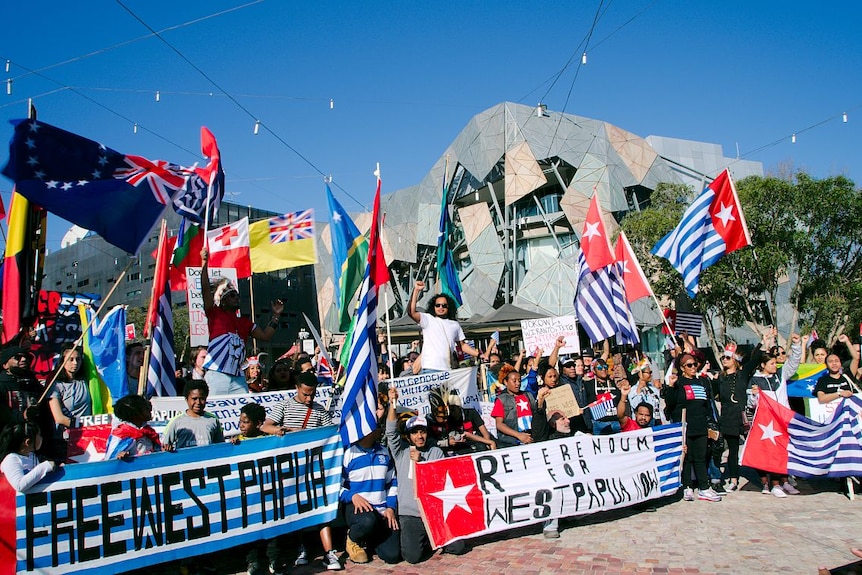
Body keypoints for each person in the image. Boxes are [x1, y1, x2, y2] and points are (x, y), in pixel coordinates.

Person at [260, 373, 340, 571]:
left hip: (314, 468)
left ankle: (329, 553)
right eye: (305, 394)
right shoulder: (284, 406)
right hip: (292, 470)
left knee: (322, 506)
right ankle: (301, 548)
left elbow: (331, 434)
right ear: (297, 388)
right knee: (298, 507)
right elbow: (265, 426)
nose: (309, 399)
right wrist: (284, 430)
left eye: (312, 394)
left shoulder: (319, 410)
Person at [385, 386, 464, 562]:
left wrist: (422, 463)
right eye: (414, 432)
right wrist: (392, 404)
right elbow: (391, 432)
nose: (419, 436)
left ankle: (433, 538)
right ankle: (428, 540)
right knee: (412, 557)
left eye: (422, 431)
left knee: (458, 547)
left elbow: (437, 482)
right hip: (410, 514)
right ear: (409, 436)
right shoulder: (401, 452)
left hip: (432, 512)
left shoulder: (435, 452)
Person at [200, 247, 284, 395]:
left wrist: (276, 316)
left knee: (244, 412)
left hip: (238, 377)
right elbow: (206, 289)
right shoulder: (215, 313)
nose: (236, 298)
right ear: (223, 301)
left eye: (237, 296)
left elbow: (266, 335)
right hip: (216, 374)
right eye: (232, 296)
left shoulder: (245, 323)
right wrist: (204, 263)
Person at [340, 405, 400, 565]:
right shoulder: (348, 453)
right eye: (377, 426)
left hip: (382, 511)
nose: (380, 429)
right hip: (358, 509)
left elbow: (392, 482)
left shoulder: (384, 451)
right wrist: (352, 496)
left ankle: (370, 541)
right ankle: (353, 539)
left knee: (393, 556)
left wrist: (390, 508)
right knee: (367, 521)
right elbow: (336, 487)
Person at [748, 333, 803, 497]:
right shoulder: (755, 380)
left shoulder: (780, 375)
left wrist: (797, 345)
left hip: (783, 419)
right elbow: (751, 404)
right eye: (771, 363)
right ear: (763, 365)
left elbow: (793, 364)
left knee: (783, 451)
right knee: (765, 452)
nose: (775, 365)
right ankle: (769, 484)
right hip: (764, 423)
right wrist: (753, 395)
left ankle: (783, 482)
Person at [664, 352, 721, 502]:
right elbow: (670, 402)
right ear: (682, 368)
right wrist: (671, 386)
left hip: (700, 425)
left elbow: (707, 405)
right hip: (684, 425)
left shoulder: (702, 382)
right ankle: (687, 486)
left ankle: (703, 487)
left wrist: (712, 424)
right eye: (689, 365)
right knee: (687, 457)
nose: (693, 367)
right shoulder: (678, 382)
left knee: (701, 457)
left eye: (695, 364)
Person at [407, 280, 484, 371]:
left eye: (444, 305)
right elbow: (411, 312)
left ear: (449, 307)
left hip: (447, 368)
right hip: (430, 367)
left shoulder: (455, 325)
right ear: (433, 306)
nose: (440, 308)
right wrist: (416, 291)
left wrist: (478, 354)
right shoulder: (428, 319)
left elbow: (462, 345)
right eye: (438, 305)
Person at [713, 343, 756, 492]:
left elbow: (755, 360)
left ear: (735, 360)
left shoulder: (742, 374)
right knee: (732, 449)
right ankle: (733, 478)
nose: (724, 360)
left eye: (727, 358)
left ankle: (765, 477)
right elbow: (713, 394)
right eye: (723, 357)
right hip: (728, 416)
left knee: (755, 444)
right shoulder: (720, 378)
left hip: (743, 415)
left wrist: (765, 342)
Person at [47, 344, 91, 457]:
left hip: (89, 436)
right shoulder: (56, 385)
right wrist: (84, 426)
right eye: (70, 359)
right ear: (62, 361)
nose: (75, 363)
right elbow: (59, 418)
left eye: (78, 359)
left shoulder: (86, 380)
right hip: (65, 439)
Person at [163, 380, 225, 450]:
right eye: (194, 399)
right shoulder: (176, 421)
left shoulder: (213, 420)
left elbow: (221, 447)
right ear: (186, 399)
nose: (198, 402)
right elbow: (164, 446)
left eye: (202, 399)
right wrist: (167, 448)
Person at [0, 422, 58, 492]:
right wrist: (45, 466)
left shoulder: (32, 456)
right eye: (39, 435)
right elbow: (19, 486)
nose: (41, 438)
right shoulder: (11, 459)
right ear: (28, 442)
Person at [0, 346, 43, 435]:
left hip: (33, 439)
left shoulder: (34, 384)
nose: (23, 359)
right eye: (17, 357)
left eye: (26, 357)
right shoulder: (2, 384)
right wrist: (23, 415)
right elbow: (3, 415)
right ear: (5, 365)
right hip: (8, 438)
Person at [490, 366, 537, 447]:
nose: (518, 383)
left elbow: (535, 414)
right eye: (514, 381)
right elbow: (499, 424)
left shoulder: (528, 395)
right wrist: (518, 435)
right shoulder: (501, 400)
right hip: (512, 442)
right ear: (505, 382)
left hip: (532, 437)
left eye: (519, 380)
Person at [105, 394, 162, 459]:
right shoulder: (121, 434)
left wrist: (164, 449)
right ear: (136, 413)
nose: (150, 410)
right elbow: (109, 460)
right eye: (146, 407)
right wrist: (118, 457)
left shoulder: (148, 431)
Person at [814, 334, 861, 403]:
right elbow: (821, 399)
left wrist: (847, 341)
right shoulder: (822, 380)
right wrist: (840, 394)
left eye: (836, 361)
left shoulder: (847, 376)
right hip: (832, 412)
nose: (834, 363)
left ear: (840, 364)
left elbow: (856, 358)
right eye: (830, 361)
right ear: (826, 365)